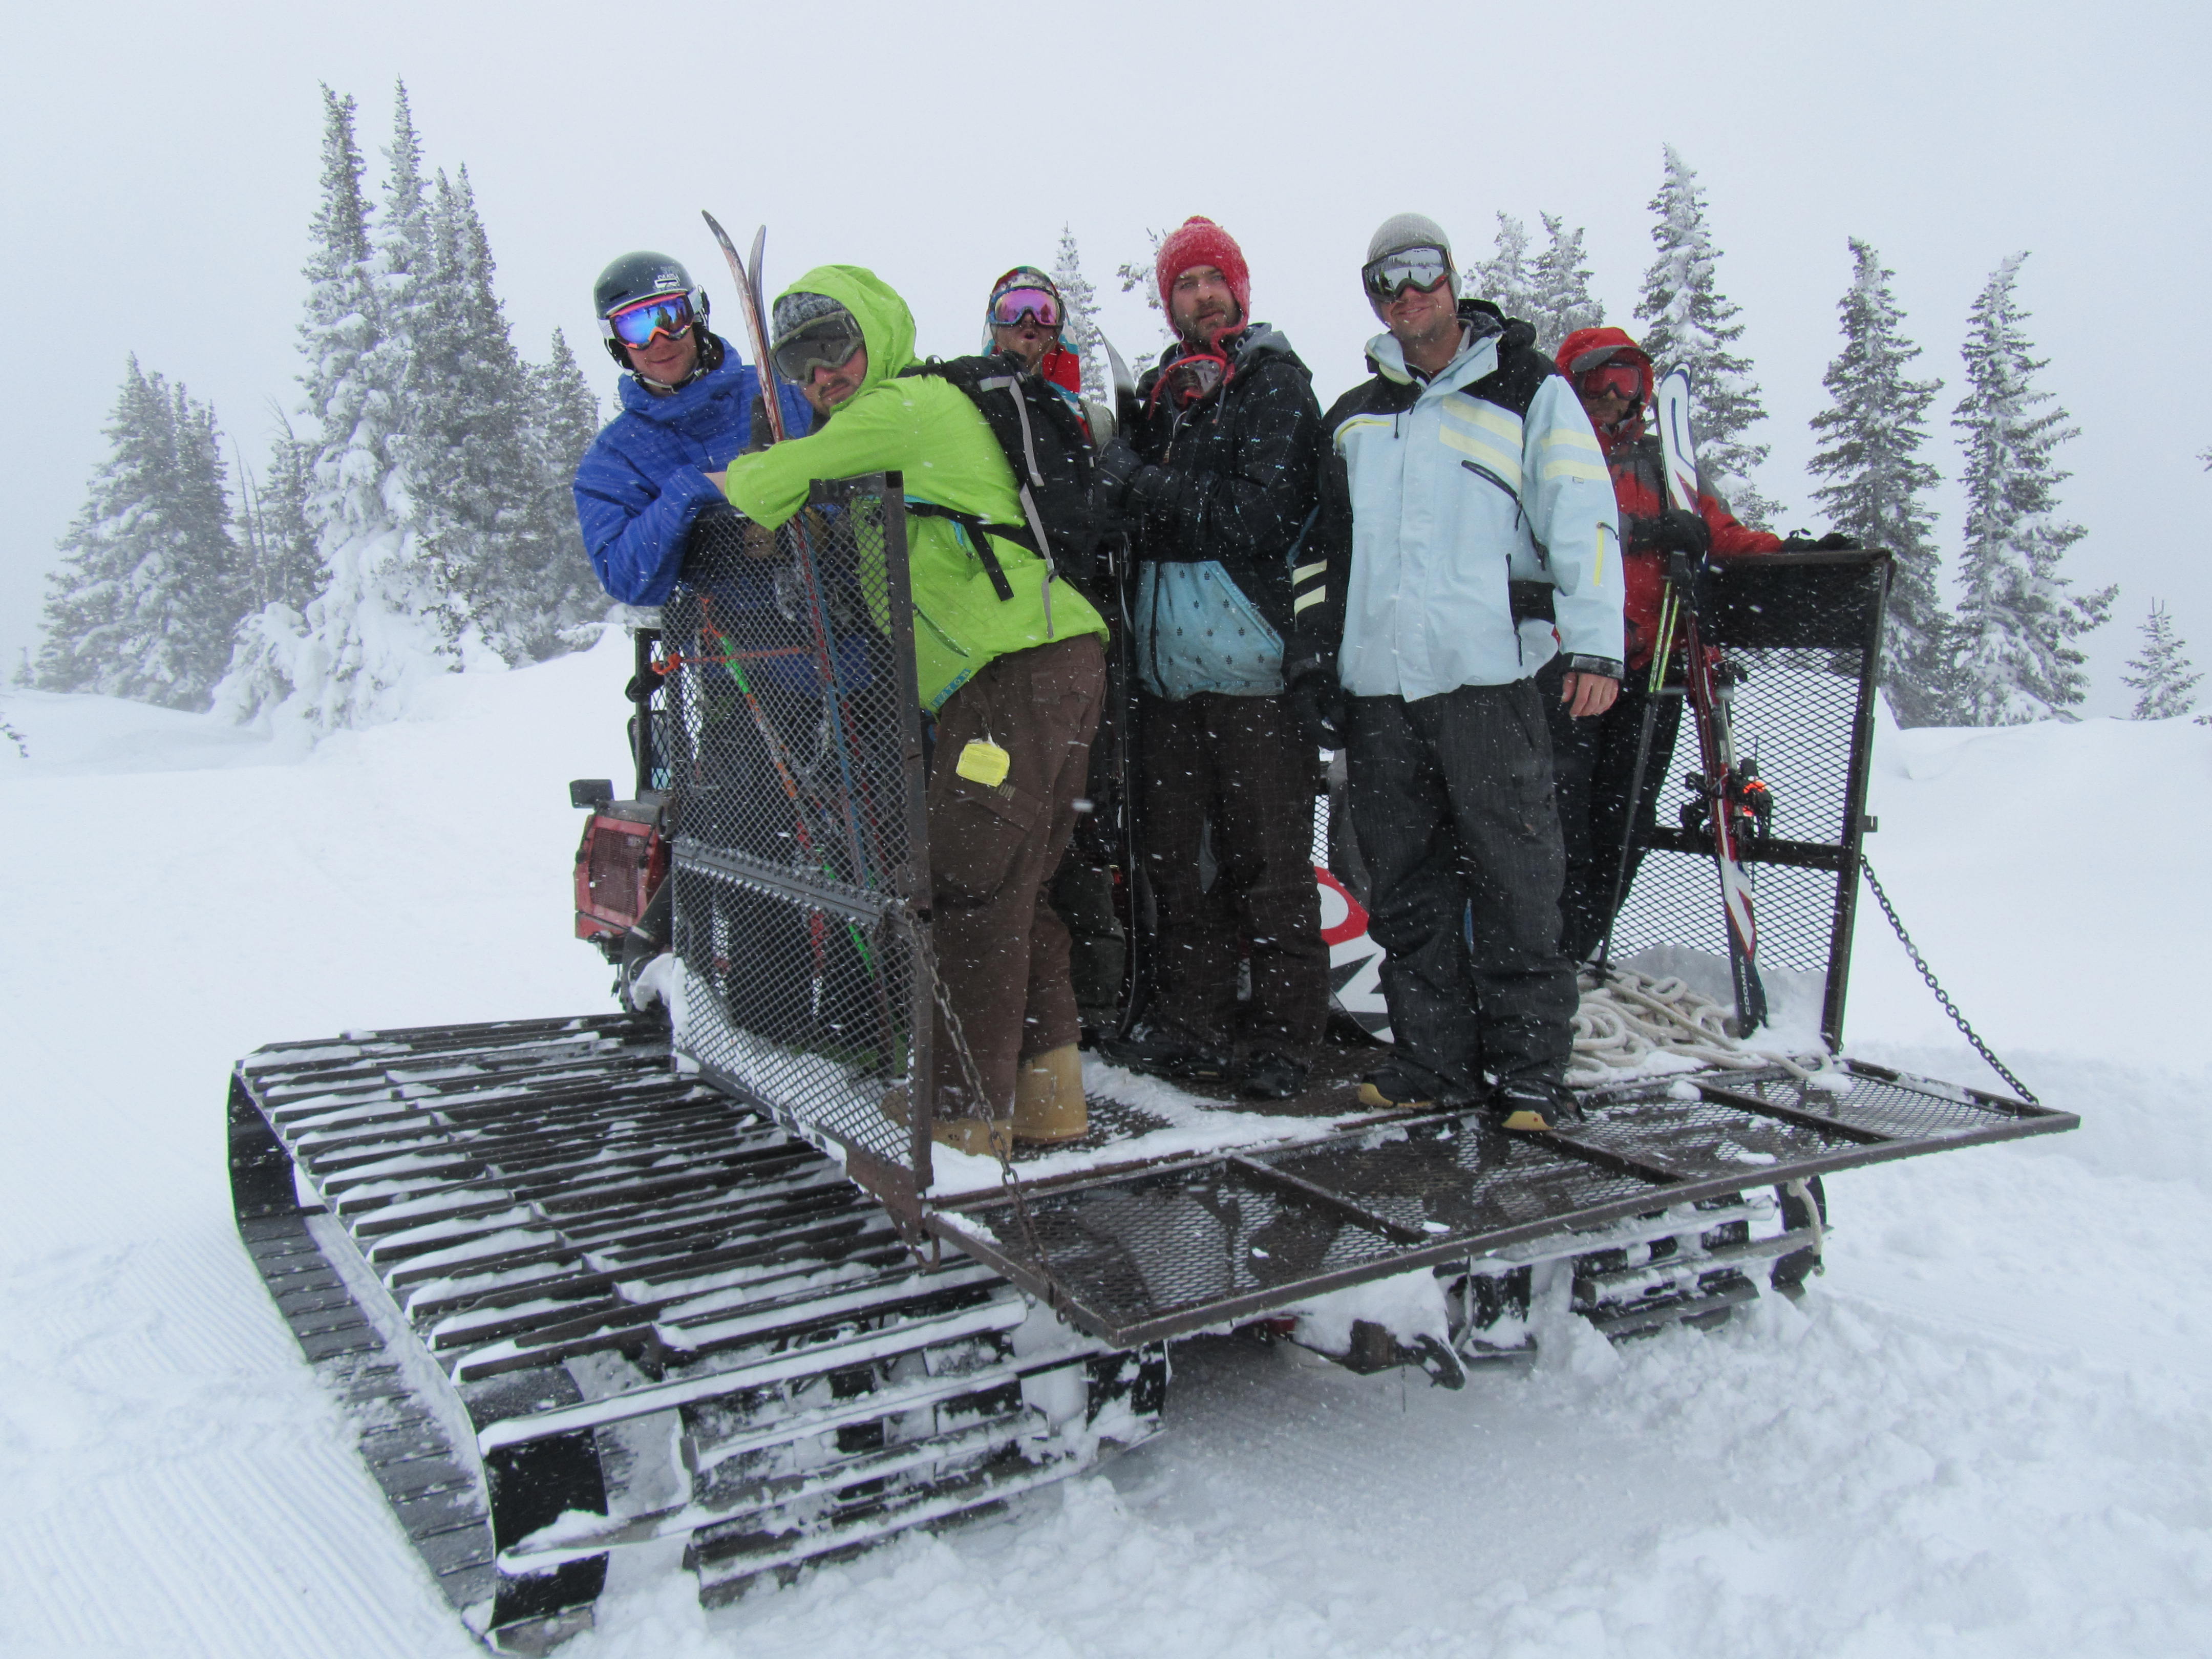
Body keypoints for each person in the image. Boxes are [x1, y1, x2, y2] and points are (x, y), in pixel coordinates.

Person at [721, 266, 1111, 1155]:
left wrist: (752, 476)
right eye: (802, 363)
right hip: (1041, 668)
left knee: (964, 884)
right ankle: (1051, 1101)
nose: (823, 374)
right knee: (1017, 886)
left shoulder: (908, 406)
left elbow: (771, 481)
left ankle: (964, 1116)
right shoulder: (886, 437)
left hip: (1016, 671)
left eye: (836, 346)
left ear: (878, 334)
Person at [1285, 214, 1624, 1132]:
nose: (1406, 296)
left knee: (1518, 878)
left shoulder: (1528, 389)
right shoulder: (1357, 418)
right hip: (1382, 693)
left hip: (1489, 681)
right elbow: (1323, 551)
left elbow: (1583, 516)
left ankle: (1528, 1074)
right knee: (1408, 885)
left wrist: (1595, 644)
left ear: (1450, 276)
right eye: (1385, 283)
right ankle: (1434, 1062)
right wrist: (1319, 655)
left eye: (1420, 273)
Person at [1089, 216, 1328, 1102]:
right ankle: (1194, 1023)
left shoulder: (1273, 383)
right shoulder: (1162, 394)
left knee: (1268, 863)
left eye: (1211, 281)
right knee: (1175, 863)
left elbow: (1254, 516)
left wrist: (1139, 486)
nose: (1201, 296)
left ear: (1240, 288)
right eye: (1184, 285)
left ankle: (1285, 1038)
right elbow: (1129, 512)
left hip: (1256, 673)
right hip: (1167, 675)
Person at [1545, 326, 1783, 965]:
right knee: (1559, 822)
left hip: (1650, 675)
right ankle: (1541, 954)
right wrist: (1651, 532)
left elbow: (1721, 534)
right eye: (1602, 382)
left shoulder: (1662, 468)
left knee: (1624, 826)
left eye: (1631, 386)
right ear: (1574, 383)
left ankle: (1571, 955)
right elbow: (1558, 530)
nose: (1617, 400)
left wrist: (1795, 554)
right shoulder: (1552, 453)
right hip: (1567, 671)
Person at [981, 266, 1128, 1030]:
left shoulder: (1084, 419)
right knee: (1012, 820)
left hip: (1082, 641)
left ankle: (1091, 999)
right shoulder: (977, 407)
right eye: (1015, 312)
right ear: (993, 325)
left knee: (1083, 818)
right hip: (1004, 646)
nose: (1030, 326)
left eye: (1044, 313)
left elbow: (1090, 523)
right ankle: (1034, 1007)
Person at [571, 251, 811, 605]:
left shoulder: (785, 392)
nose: (659, 339)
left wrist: (813, 522)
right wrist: (693, 490)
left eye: (672, 317)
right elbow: (626, 578)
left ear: (697, 315)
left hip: (846, 639)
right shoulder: (614, 460)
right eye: (635, 328)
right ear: (617, 344)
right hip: (728, 648)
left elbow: (862, 475)